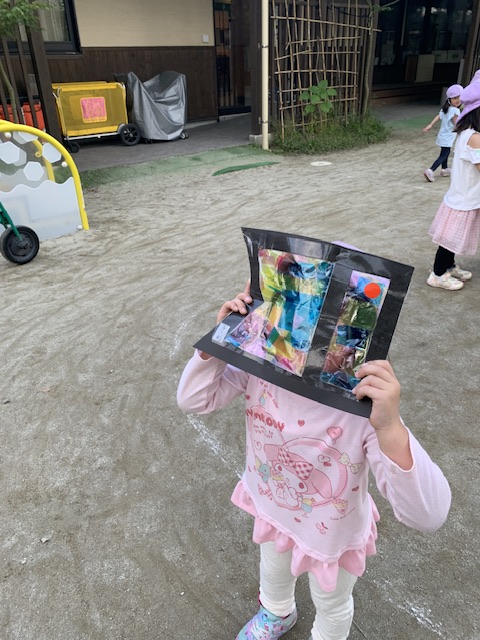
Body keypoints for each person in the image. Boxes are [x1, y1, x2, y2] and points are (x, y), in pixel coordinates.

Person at [177, 282, 451, 640]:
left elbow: (428, 514)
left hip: (330, 536)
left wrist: (391, 427)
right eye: (291, 308)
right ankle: (277, 612)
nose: (308, 335)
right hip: (273, 508)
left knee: (332, 602)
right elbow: (193, 400)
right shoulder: (261, 366)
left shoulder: (361, 409)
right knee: (273, 571)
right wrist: (221, 341)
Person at [427, 78, 480, 290]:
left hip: (462, 196)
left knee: (453, 239)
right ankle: (438, 274)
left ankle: (448, 266)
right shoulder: (475, 138)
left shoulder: (467, 133)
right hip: (464, 199)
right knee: (449, 240)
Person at [423, 84, 463, 182]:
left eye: (459, 97)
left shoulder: (446, 109)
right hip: (448, 137)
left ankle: (444, 169)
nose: (458, 100)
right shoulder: (455, 110)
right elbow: (457, 124)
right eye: (455, 98)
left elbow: (438, 117)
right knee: (444, 154)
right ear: (449, 99)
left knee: (444, 152)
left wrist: (430, 125)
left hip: (442, 136)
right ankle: (430, 170)